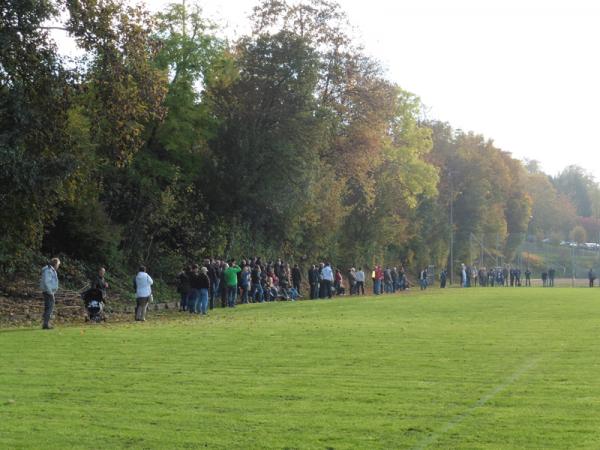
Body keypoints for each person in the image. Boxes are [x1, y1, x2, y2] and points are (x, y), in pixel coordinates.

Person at [40, 257, 60, 329]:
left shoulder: (51, 270)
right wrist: (50, 292)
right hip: (48, 291)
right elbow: (47, 282)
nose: (58, 266)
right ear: (55, 264)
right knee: (50, 307)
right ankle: (46, 324)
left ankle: (46, 323)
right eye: (58, 264)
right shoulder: (49, 270)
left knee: (48, 307)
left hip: (48, 291)